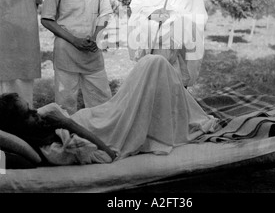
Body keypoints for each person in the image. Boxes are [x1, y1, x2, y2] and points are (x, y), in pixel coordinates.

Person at [0, 55, 219, 165]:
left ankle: (187, 114)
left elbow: (41, 114)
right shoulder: (56, 149)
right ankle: (188, 117)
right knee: (155, 64)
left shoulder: (42, 125)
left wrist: (55, 117)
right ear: (19, 126)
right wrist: (67, 122)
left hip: (105, 114)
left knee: (154, 66)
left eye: (31, 108)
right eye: (28, 114)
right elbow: (108, 155)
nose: (36, 112)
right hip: (113, 129)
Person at [41, 0, 113, 115]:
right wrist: (74, 40)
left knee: (103, 103)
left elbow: (105, 13)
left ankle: (104, 139)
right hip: (66, 53)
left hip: (92, 52)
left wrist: (96, 37)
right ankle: (69, 141)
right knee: (65, 105)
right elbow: (47, 19)